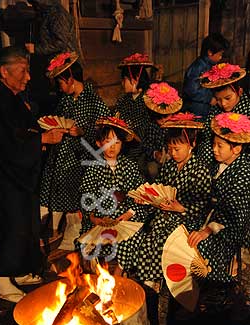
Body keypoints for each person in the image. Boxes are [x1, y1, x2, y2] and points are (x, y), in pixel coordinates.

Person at [0, 46, 66, 303]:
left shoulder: (10, 97)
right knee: (13, 224)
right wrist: (42, 138)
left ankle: (20, 270)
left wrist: (38, 135)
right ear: (4, 71)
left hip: (19, 173)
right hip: (5, 174)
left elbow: (20, 130)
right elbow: (6, 141)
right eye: (23, 71)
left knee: (27, 223)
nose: (28, 77)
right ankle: (3, 280)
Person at [117, 114, 211, 288]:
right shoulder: (168, 166)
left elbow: (203, 204)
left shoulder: (200, 171)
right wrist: (147, 200)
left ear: (192, 145)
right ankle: (140, 276)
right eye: (170, 149)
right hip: (163, 212)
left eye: (177, 149)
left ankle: (154, 279)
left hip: (186, 218)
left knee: (157, 236)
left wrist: (181, 208)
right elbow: (159, 190)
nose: (173, 154)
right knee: (136, 231)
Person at [39, 52, 111, 250]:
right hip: (58, 156)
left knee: (72, 202)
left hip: (79, 160)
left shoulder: (94, 101)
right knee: (49, 193)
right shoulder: (64, 100)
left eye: (60, 82)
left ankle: (70, 242)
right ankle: (48, 233)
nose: (59, 88)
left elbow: (105, 131)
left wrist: (83, 131)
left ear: (70, 78)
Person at [188, 112, 250, 311]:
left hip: (236, 225)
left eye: (220, 146)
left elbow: (235, 213)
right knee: (187, 230)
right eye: (213, 144)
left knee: (206, 246)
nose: (214, 150)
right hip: (217, 217)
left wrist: (207, 230)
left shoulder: (243, 173)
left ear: (237, 149)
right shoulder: (221, 165)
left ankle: (221, 292)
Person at [77, 116, 148, 267]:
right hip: (101, 215)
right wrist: (94, 217)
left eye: (117, 142)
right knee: (91, 243)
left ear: (122, 144)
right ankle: (97, 270)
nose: (112, 147)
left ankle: (120, 273)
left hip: (125, 215)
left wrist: (129, 213)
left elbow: (139, 192)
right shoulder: (93, 167)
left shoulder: (129, 166)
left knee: (132, 238)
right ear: (99, 143)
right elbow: (87, 195)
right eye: (108, 142)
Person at [114, 53, 164, 178]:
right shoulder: (122, 101)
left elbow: (151, 129)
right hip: (124, 148)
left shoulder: (149, 101)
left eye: (124, 79)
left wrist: (136, 136)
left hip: (145, 150)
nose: (122, 83)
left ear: (134, 79)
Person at [196, 63, 249, 169]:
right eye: (218, 99)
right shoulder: (216, 109)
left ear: (240, 91)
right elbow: (207, 133)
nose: (223, 104)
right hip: (217, 152)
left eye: (228, 98)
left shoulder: (247, 110)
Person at [182, 33, 230, 119]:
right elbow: (191, 90)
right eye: (220, 54)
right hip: (196, 109)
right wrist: (209, 98)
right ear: (210, 52)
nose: (220, 57)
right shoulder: (198, 67)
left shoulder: (210, 65)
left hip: (205, 107)